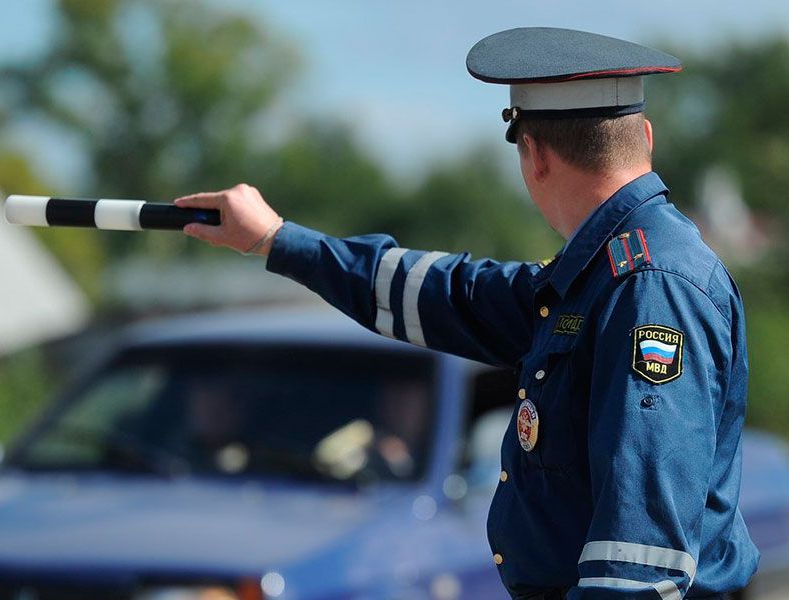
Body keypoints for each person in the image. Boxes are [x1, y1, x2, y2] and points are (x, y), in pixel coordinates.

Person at [174, 27, 759, 600]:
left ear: (533, 154)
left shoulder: (646, 285)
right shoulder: (604, 275)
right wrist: (277, 240)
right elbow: (449, 294)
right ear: (646, 137)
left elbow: (638, 564)